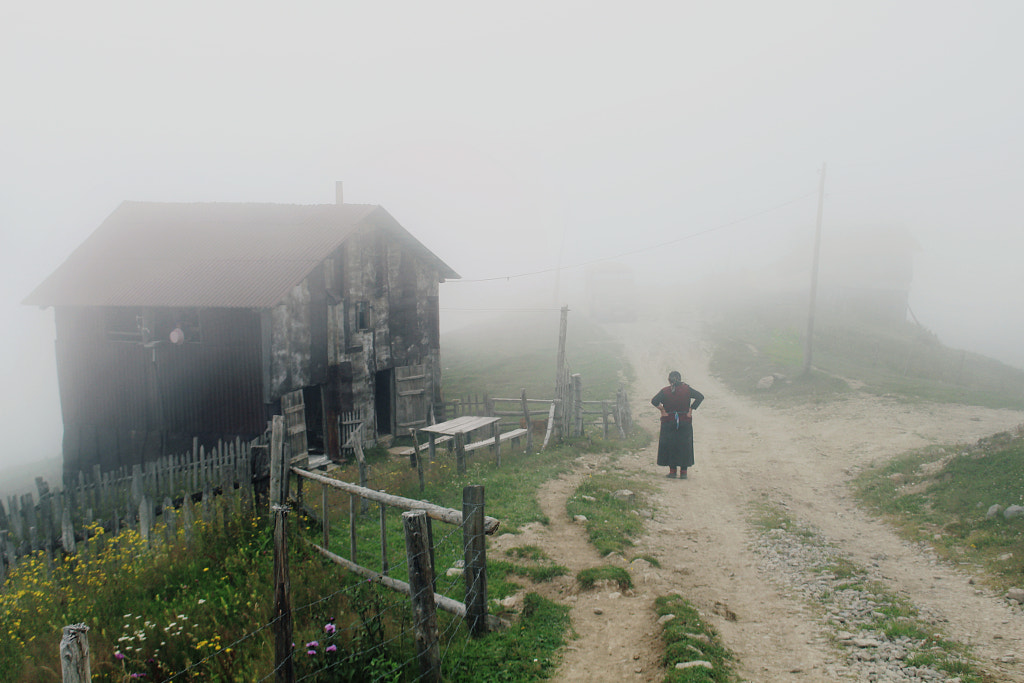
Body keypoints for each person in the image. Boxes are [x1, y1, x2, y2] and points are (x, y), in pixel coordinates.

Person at [651, 371, 704, 479]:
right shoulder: (687, 389)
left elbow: (654, 401)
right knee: (684, 446)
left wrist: (662, 409)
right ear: (680, 379)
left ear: (669, 380)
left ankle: (672, 472)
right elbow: (700, 397)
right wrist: (691, 409)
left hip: (668, 422)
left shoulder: (665, 391)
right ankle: (683, 473)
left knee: (671, 446)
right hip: (685, 421)